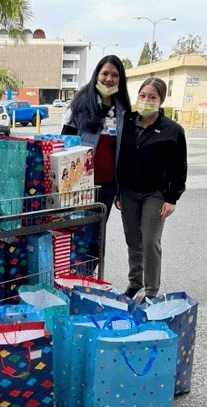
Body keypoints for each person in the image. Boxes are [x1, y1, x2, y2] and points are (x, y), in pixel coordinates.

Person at [115, 77, 187, 301]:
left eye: (152, 97)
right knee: (133, 240)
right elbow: (120, 158)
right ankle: (135, 282)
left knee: (149, 241)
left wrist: (172, 198)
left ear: (161, 100)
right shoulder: (127, 122)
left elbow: (179, 168)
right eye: (143, 96)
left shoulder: (172, 130)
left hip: (155, 194)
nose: (146, 100)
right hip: (128, 192)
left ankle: (151, 290)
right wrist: (118, 189)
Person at [61, 55, 131, 267]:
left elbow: (124, 150)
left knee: (96, 236)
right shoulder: (81, 103)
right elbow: (64, 142)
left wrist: (120, 188)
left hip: (108, 185)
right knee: (78, 233)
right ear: (97, 75)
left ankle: (89, 280)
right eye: (105, 73)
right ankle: (71, 278)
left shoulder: (123, 108)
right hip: (81, 184)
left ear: (120, 79)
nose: (109, 79)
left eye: (114, 75)